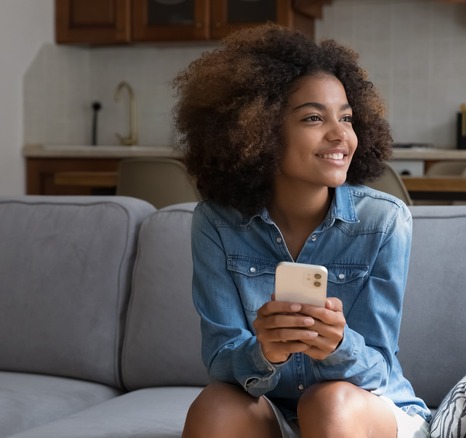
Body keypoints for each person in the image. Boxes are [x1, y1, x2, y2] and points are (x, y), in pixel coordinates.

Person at [175, 23, 430, 438]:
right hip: (272, 411)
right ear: (258, 131)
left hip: (361, 410)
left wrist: (338, 345)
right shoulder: (216, 223)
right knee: (214, 407)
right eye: (314, 117)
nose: (340, 135)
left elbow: (380, 368)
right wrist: (264, 353)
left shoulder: (383, 221)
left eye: (346, 118)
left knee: (327, 403)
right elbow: (221, 360)